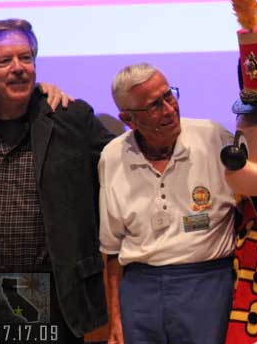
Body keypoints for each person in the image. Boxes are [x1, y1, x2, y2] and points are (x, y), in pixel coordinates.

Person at [0, 18, 114, 342]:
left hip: (34, 284)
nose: (18, 68)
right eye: (5, 61)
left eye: (26, 58)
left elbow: (124, 162)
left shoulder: (69, 118)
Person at [99, 62, 236, 344]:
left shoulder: (213, 138)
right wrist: (116, 319)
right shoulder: (112, 156)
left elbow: (255, 204)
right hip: (140, 291)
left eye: (169, 95)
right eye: (155, 105)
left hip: (208, 284)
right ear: (128, 118)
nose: (170, 109)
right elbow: (112, 250)